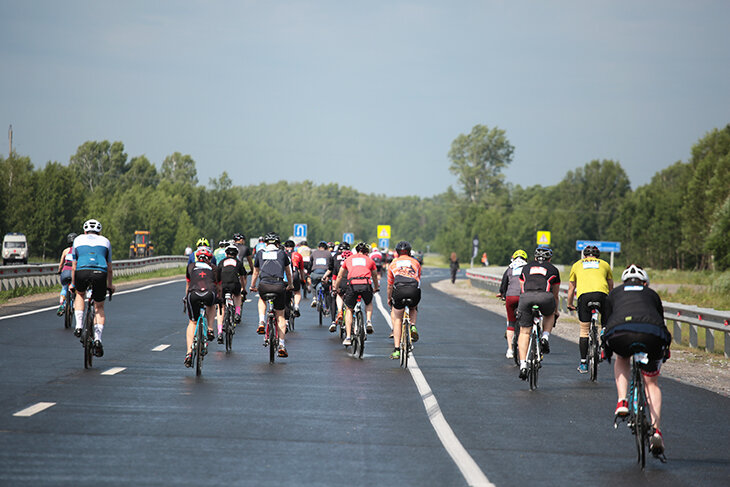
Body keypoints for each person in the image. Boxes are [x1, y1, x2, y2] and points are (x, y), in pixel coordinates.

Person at [603, 264, 671, 457]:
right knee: (651, 383)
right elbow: (660, 320)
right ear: (644, 282)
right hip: (651, 333)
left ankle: (622, 401)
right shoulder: (651, 294)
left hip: (620, 332)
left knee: (622, 357)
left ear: (624, 281)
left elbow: (606, 322)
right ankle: (656, 431)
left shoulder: (615, 293)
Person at [567, 245, 614, 374]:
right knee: (606, 319)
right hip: (602, 295)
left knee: (584, 330)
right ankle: (604, 331)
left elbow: (571, 288)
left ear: (584, 255)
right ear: (597, 256)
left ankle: (583, 363)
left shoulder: (577, 265)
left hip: (584, 297)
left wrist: (570, 304)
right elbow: (610, 285)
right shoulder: (604, 264)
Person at [71, 219, 115, 358]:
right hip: (100, 273)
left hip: (82, 271)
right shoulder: (106, 241)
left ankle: (78, 326)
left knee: (79, 294)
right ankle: (97, 339)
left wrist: (73, 283)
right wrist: (110, 285)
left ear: (85, 231)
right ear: (99, 231)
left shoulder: (77, 240)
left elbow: (73, 265)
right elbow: (109, 268)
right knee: (99, 307)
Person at [516, 245, 560, 380]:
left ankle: (523, 365)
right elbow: (556, 294)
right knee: (550, 313)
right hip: (545, 297)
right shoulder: (553, 269)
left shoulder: (526, 267)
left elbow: (522, 288)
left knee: (524, 332)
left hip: (526, 298)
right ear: (550, 258)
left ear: (535, 257)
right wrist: (556, 310)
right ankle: (545, 337)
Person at [249, 232, 293, 358]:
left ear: (266, 243)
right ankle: (281, 345)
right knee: (280, 316)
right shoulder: (282, 254)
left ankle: (261, 322)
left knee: (262, 299)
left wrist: (252, 286)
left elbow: (255, 272)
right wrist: (290, 285)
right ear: (278, 244)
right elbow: (288, 273)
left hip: (264, 284)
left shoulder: (260, 253)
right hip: (279, 285)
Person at [337, 242, 379, 346]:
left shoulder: (349, 259)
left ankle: (347, 337)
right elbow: (374, 276)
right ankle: (368, 321)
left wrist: (336, 287)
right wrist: (376, 288)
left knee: (349, 309)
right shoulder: (370, 260)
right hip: (365, 284)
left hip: (352, 285)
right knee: (368, 302)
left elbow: (340, 275)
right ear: (366, 252)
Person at [184, 247, 219, 366]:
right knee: (212, 305)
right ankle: (210, 328)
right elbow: (218, 286)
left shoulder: (191, 266)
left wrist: (185, 298)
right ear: (210, 258)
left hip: (193, 294)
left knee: (192, 322)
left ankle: (189, 352)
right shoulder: (214, 268)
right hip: (209, 293)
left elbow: (188, 284)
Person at [387, 241, 421, 360]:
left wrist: (389, 298)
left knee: (397, 318)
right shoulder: (416, 262)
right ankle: (412, 326)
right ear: (409, 251)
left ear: (397, 252)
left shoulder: (393, 264)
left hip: (399, 290)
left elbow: (390, 285)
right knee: (413, 306)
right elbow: (418, 279)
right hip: (413, 290)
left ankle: (397, 350)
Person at [497, 249, 528, 359]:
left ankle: (510, 350)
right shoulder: (527, 268)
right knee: (526, 322)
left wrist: (502, 294)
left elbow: (504, 283)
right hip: (524, 297)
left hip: (510, 297)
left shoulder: (510, 268)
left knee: (511, 323)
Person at [215, 244, 247, 343]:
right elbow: (242, 277)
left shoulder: (221, 262)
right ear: (236, 254)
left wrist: (218, 291)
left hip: (223, 286)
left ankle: (220, 332)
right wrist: (243, 288)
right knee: (237, 295)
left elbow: (217, 278)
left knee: (222, 308)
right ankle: (237, 313)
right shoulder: (238, 262)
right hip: (234, 284)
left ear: (226, 254)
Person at [325, 242, 350, 332]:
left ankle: (334, 319)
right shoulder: (352, 258)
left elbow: (332, 271)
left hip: (339, 280)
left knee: (336, 296)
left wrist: (333, 286)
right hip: (352, 282)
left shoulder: (335, 256)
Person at [56, 232, 77, 316]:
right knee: (75, 288)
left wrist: (59, 271)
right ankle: (73, 305)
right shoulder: (78, 251)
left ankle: (61, 305)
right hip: (74, 273)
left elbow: (61, 263)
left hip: (65, 272)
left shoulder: (65, 251)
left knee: (64, 287)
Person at [309, 241, 333, 309]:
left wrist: (309, 273)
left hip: (315, 273)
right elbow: (331, 265)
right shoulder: (329, 253)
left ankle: (314, 298)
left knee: (313, 285)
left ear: (318, 247)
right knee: (327, 287)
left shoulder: (314, 253)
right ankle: (327, 305)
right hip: (325, 274)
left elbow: (310, 264)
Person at [283, 240, 304, 318]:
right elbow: (301, 269)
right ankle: (296, 306)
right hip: (295, 275)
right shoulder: (298, 255)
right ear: (294, 247)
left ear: (285, 247)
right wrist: (302, 279)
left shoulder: (282, 254)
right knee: (297, 291)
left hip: (285, 276)